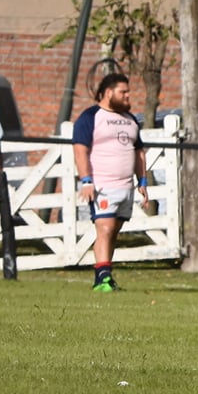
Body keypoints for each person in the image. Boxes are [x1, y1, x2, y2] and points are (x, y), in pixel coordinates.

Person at [72, 71, 147, 294]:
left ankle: (105, 274)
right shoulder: (90, 117)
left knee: (113, 230)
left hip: (126, 188)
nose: (128, 96)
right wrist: (86, 180)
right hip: (102, 186)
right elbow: (80, 150)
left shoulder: (130, 119)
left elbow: (139, 152)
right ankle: (102, 279)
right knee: (104, 228)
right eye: (123, 92)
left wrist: (142, 181)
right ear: (107, 93)